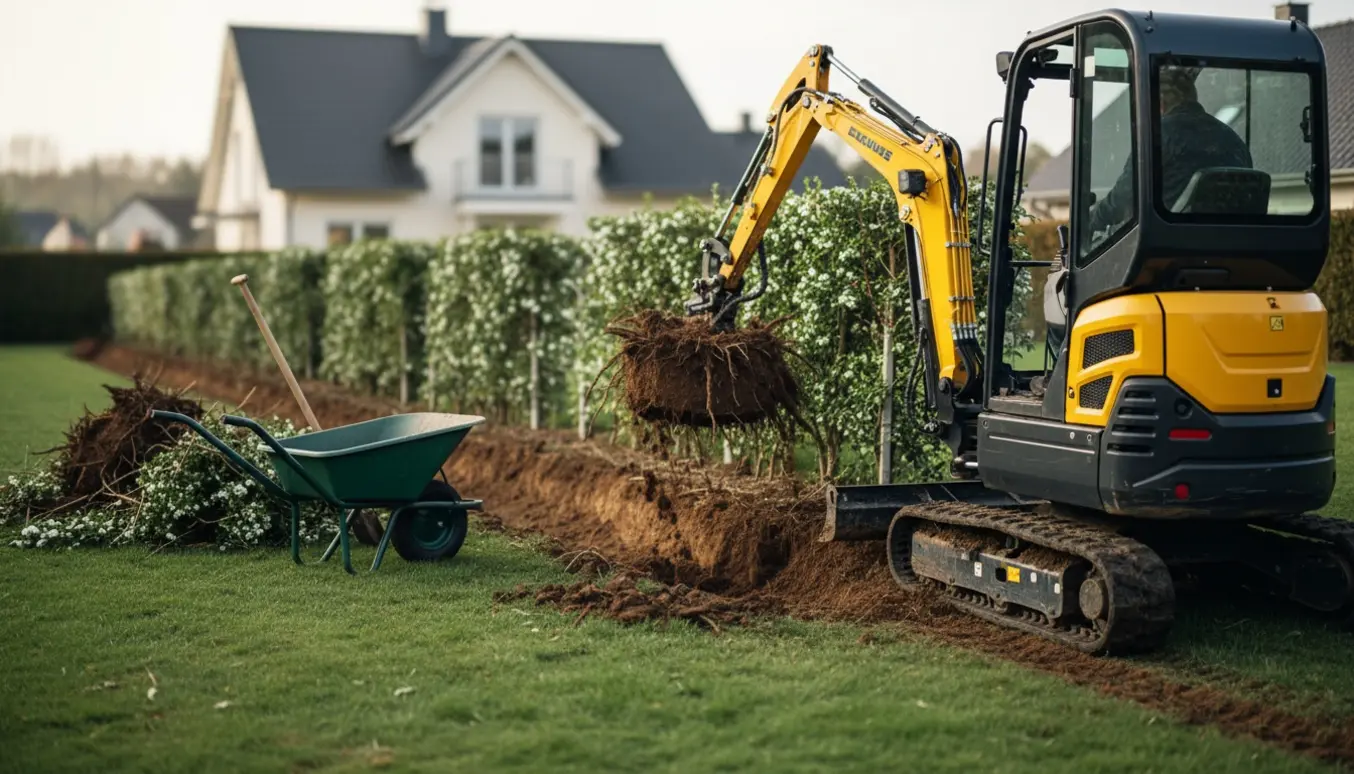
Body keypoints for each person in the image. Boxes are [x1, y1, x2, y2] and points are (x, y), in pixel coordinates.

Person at [1086, 66, 1252, 236]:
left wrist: (1092, 220)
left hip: (1172, 244)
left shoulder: (1160, 135)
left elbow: (1125, 195)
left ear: (1160, 103)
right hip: (1234, 244)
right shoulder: (1233, 140)